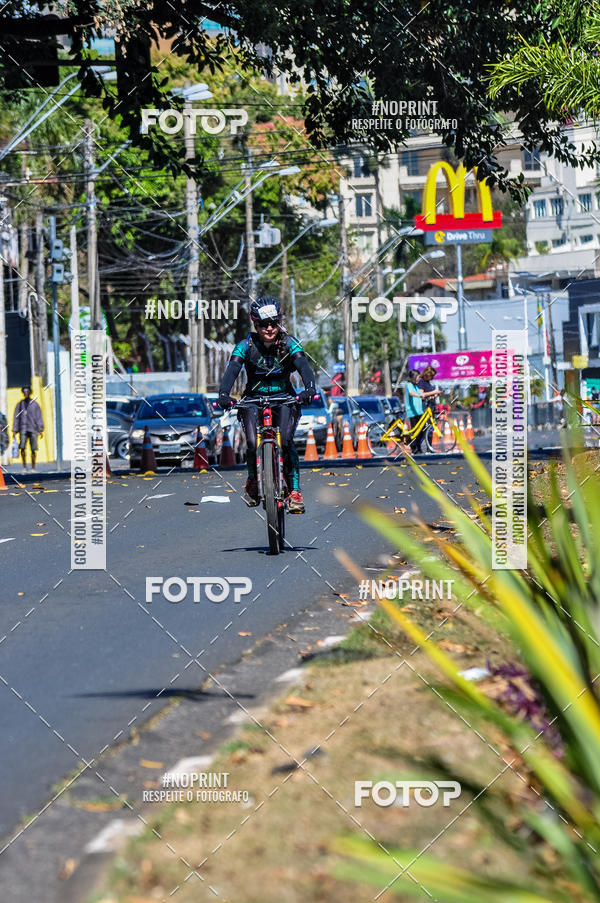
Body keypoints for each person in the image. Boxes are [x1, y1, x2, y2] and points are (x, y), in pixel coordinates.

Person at [217, 298, 316, 513]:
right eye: (263, 324)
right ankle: (253, 480)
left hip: (285, 399)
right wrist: (224, 393)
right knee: (252, 443)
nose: (269, 328)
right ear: (255, 325)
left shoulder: (290, 343)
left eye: (273, 323)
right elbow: (232, 369)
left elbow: (304, 367)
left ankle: (295, 490)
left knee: (288, 440)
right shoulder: (245, 346)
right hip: (253, 399)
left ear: (279, 322)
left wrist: (309, 389)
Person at [13, 385, 44, 471]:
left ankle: (33, 467)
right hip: (23, 428)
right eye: (24, 392)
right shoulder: (20, 405)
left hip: (33, 429)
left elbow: (39, 417)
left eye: (27, 391)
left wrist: (40, 429)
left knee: (33, 448)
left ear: (30, 392)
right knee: (22, 447)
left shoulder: (35, 404)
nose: (26, 393)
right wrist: (15, 430)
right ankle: (24, 467)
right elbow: (16, 417)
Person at [404, 369, 428, 452]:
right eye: (418, 377)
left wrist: (429, 396)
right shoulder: (409, 385)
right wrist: (419, 395)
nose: (419, 379)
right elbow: (411, 393)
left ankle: (416, 445)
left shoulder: (416, 386)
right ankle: (415, 447)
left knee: (423, 429)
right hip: (412, 411)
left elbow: (421, 394)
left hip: (419, 411)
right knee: (415, 431)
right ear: (414, 377)